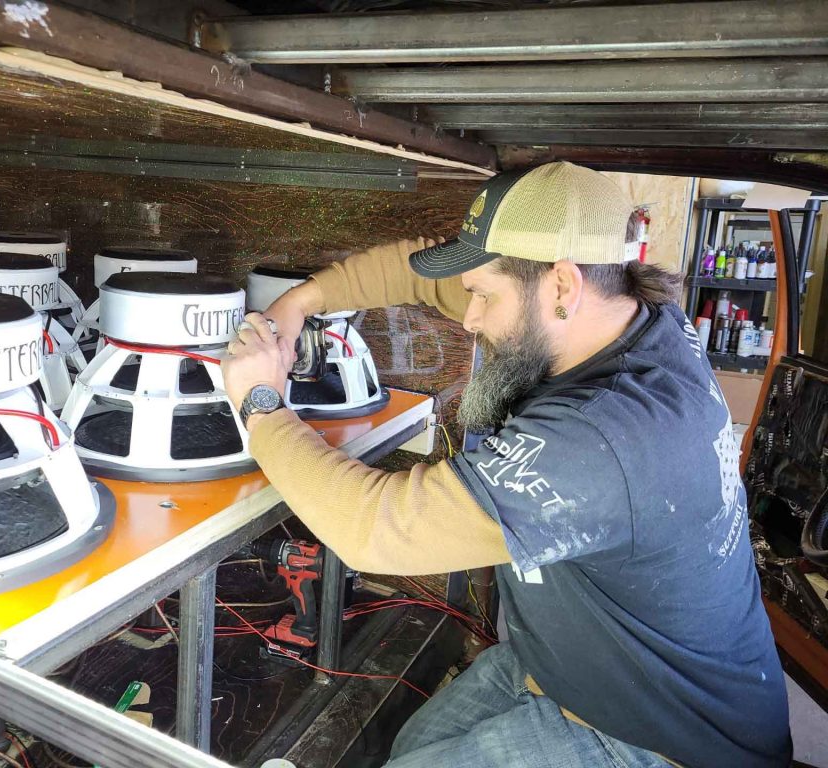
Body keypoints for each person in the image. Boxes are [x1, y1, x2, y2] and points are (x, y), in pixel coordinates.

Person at [221, 162, 791, 768]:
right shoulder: (625, 314)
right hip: (577, 665)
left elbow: (377, 529)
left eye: (482, 296)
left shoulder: (608, 435)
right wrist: (299, 302)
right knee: (413, 748)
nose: (467, 318)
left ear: (563, 287)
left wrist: (260, 402)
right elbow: (416, 274)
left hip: (661, 737)